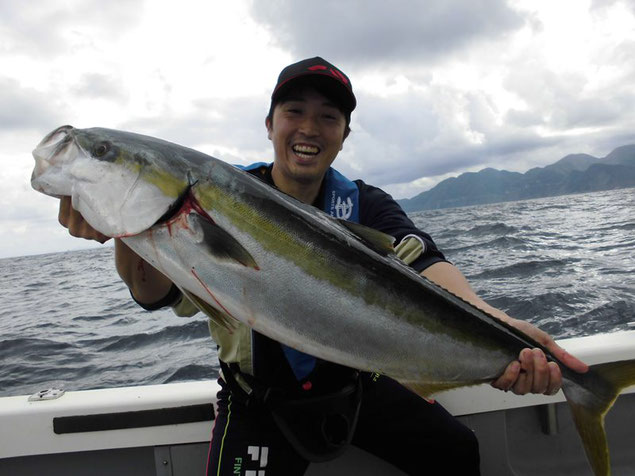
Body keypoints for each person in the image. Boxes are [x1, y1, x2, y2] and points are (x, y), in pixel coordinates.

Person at [58, 57, 588, 475]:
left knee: (456, 454)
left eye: (328, 116)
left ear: (343, 134)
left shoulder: (365, 203)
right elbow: (152, 293)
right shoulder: (216, 199)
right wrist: (120, 231)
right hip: (257, 401)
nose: (309, 127)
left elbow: (426, 264)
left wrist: (503, 330)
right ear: (269, 124)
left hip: (359, 385)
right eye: (294, 111)